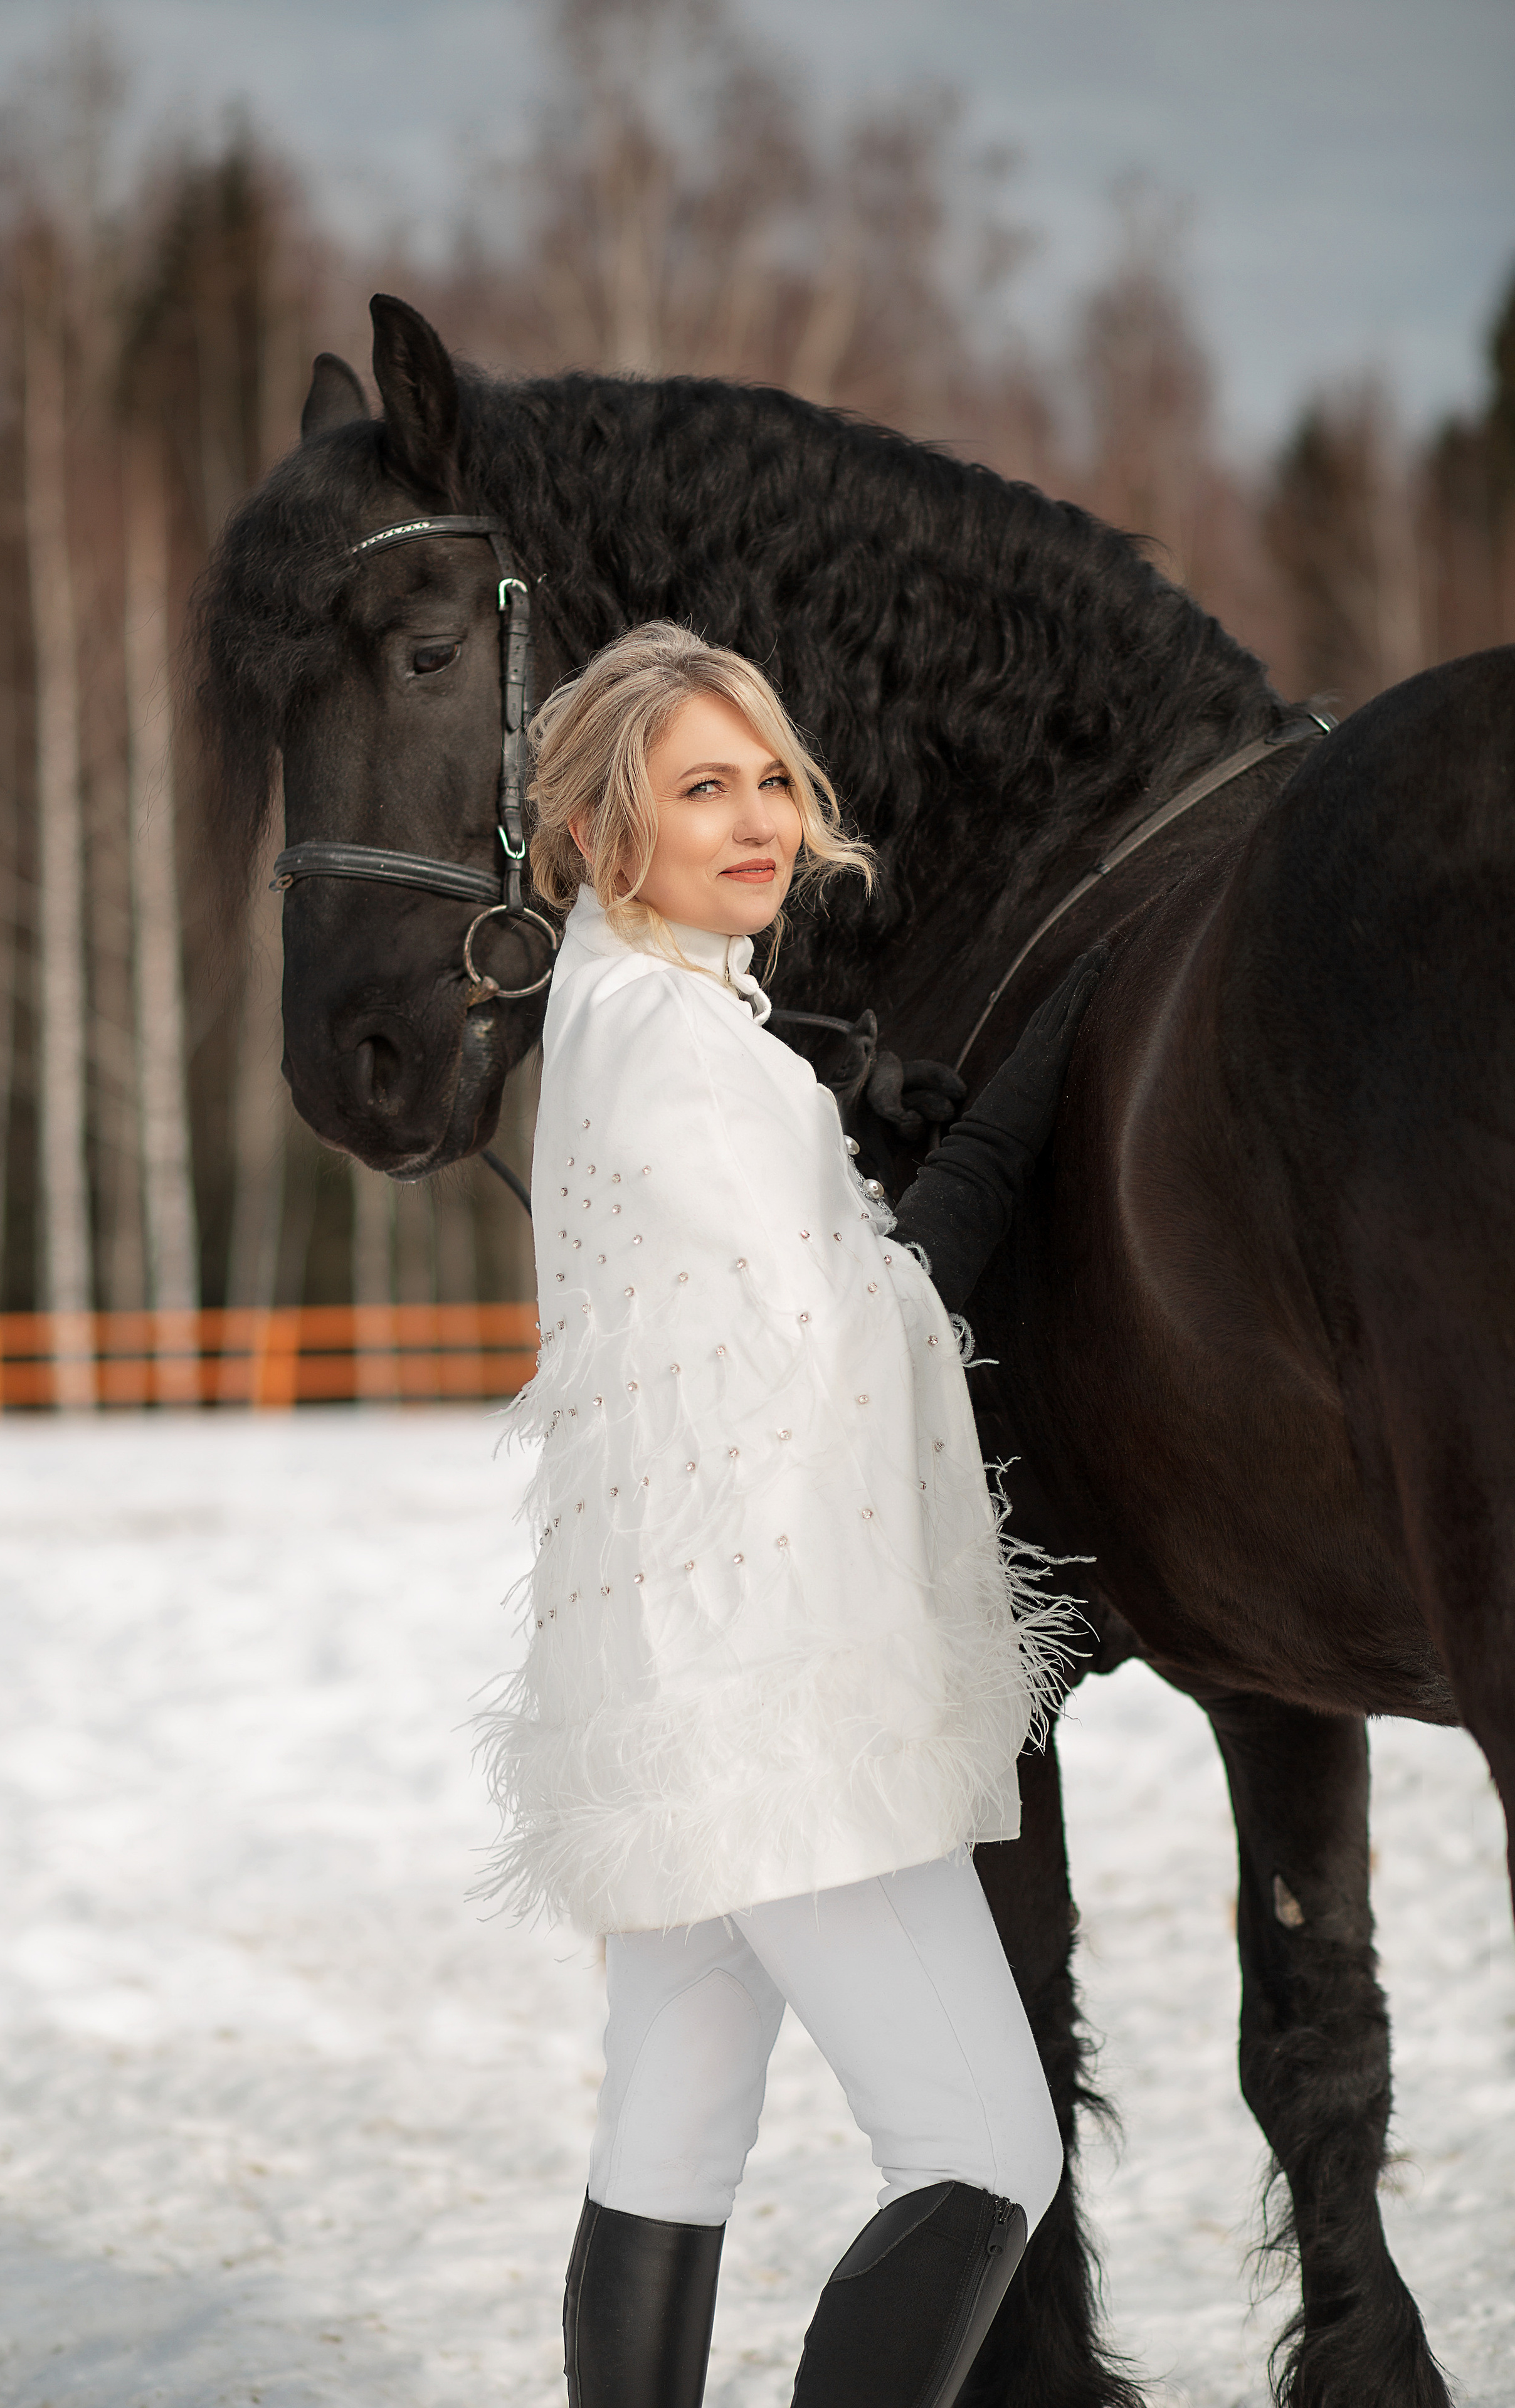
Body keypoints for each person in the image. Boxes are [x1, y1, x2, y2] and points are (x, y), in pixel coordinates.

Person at [475, 622, 1104, 2408]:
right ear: (607, 836)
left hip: (671, 1684)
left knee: (666, 2141)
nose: (757, 822)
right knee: (992, 2144)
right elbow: (836, 1339)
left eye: (771, 780)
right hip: (774, 1696)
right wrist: (975, 1175)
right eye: (702, 789)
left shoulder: (635, 1012)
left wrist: (861, 1164)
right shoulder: (679, 1050)